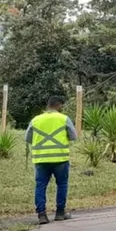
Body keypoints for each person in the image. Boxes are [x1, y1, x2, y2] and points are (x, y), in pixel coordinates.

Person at [26, 96, 77, 224]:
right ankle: (60, 213)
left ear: (48, 105)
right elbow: (73, 136)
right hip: (60, 158)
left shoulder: (35, 120)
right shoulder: (64, 118)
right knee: (62, 185)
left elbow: (28, 138)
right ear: (59, 105)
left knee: (40, 186)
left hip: (41, 159)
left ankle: (42, 215)